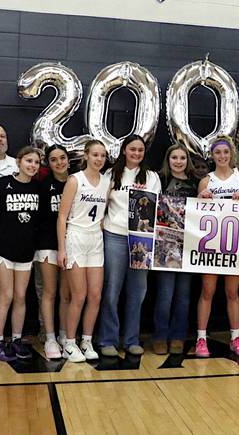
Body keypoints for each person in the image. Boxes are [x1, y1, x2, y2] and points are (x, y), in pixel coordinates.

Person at [99, 135, 161, 357]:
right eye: (132, 149)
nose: (136, 153)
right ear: (124, 150)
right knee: (111, 290)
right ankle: (108, 339)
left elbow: (156, 209)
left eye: (140, 150)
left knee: (137, 292)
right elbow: (102, 204)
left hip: (141, 240)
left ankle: (131, 339)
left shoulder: (151, 177)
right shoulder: (110, 174)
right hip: (114, 236)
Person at [194, 137, 239, 357]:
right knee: (207, 291)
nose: (222, 156)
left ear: (231, 154)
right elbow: (197, 214)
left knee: (232, 292)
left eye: (225, 153)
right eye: (218, 153)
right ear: (212, 155)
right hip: (211, 244)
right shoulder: (206, 181)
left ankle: (235, 337)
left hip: (235, 243)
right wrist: (201, 199)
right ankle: (201, 339)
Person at [57, 140, 111, 362]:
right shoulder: (74, 180)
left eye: (102, 156)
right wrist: (62, 248)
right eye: (95, 155)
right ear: (86, 155)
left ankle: (86, 340)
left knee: (95, 295)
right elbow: (61, 216)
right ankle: (69, 342)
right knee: (78, 295)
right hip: (76, 238)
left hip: (95, 241)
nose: (99, 159)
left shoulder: (107, 182)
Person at [0, 147, 41, 361]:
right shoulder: (2, 184)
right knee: (6, 296)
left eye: (36, 162)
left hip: (26, 252)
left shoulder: (38, 188)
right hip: (3, 250)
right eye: (28, 161)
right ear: (18, 162)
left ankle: (17, 339)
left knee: (20, 296)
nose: (32, 165)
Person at [153, 144, 199, 355]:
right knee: (164, 294)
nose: (178, 161)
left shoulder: (196, 182)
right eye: (174, 157)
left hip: (189, 246)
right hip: (164, 246)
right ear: (168, 159)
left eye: (182, 157)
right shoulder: (158, 180)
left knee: (183, 295)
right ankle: (160, 336)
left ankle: (178, 336)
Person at [35, 144, 70, 359]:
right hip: (47, 244)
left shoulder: (77, 182)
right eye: (54, 159)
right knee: (49, 292)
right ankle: (49, 337)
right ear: (48, 163)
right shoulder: (43, 185)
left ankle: (65, 336)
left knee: (66, 294)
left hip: (70, 244)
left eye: (62, 158)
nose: (59, 162)